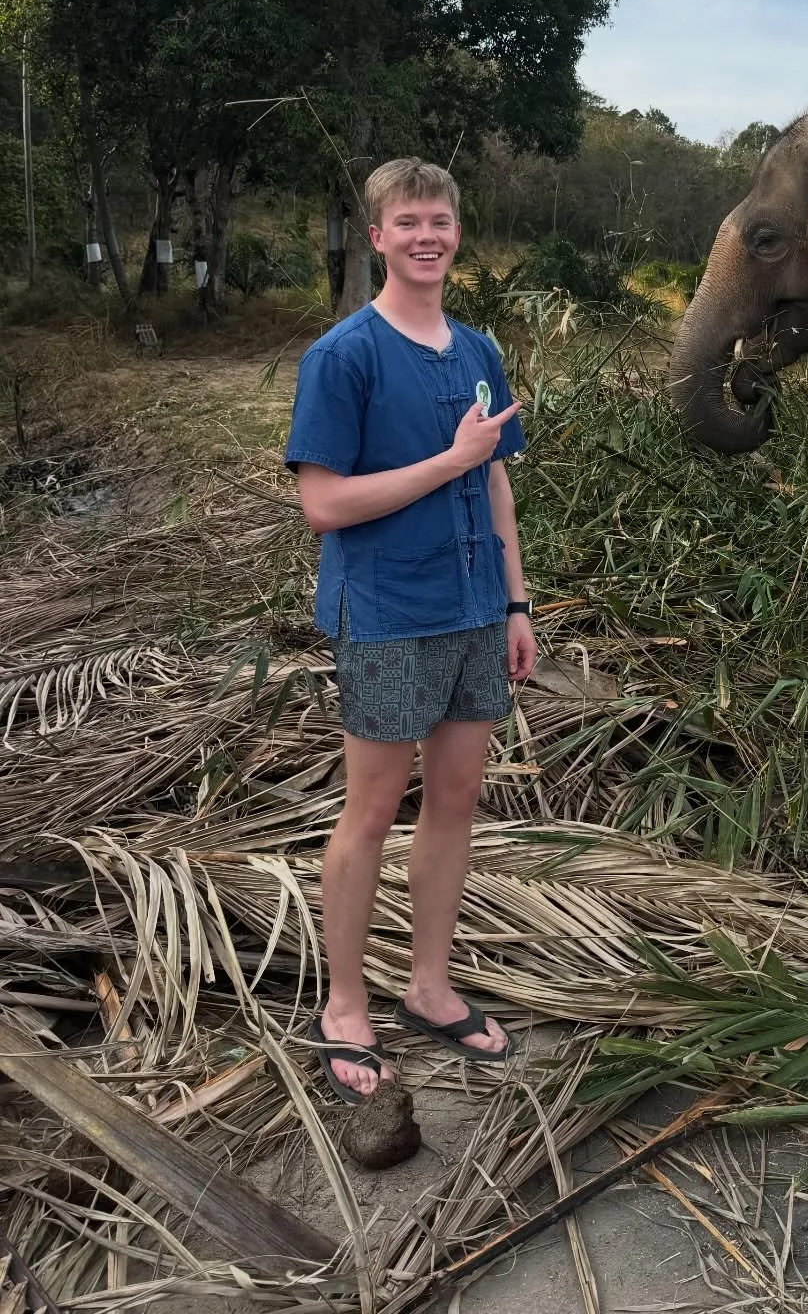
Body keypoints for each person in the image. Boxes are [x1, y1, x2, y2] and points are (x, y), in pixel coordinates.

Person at [284, 158, 535, 1099]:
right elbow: (325, 504)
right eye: (407, 223)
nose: (426, 236)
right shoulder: (342, 356)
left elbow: (495, 476)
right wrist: (450, 460)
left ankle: (429, 985)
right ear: (378, 236)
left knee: (458, 796)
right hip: (388, 613)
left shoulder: (476, 351)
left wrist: (516, 601)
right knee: (373, 808)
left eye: (440, 221)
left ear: (456, 234)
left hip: (474, 606)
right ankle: (345, 1003)